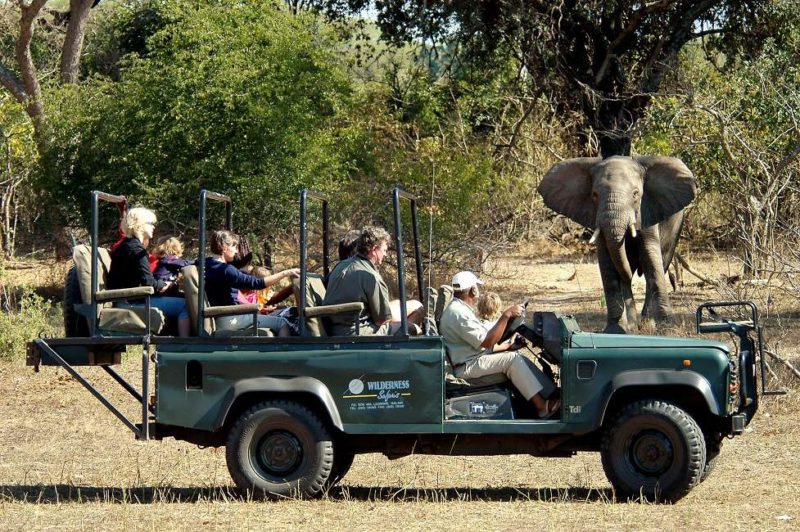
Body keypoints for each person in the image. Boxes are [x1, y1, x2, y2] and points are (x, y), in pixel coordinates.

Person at [439, 271, 560, 419]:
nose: (478, 290)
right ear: (473, 290)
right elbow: (487, 341)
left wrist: (509, 341)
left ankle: (553, 394)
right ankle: (542, 408)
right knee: (512, 360)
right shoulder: (458, 313)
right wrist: (506, 315)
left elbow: (483, 341)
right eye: (476, 286)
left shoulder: (460, 309)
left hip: (472, 359)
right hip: (467, 366)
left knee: (517, 357)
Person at [323, 226, 424, 336]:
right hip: (358, 331)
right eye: (384, 250)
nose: (385, 254)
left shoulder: (341, 265)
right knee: (412, 328)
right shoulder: (371, 276)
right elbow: (382, 320)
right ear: (374, 249)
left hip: (336, 328)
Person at [107, 207, 191, 337]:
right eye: (150, 224)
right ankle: (182, 347)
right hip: (130, 302)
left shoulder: (130, 245)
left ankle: (168, 348)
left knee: (180, 298)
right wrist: (164, 285)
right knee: (186, 306)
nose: (153, 227)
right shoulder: (136, 249)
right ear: (139, 225)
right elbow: (149, 282)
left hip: (130, 298)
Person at [205, 230, 299, 336]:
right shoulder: (226, 269)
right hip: (231, 319)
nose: (236, 252)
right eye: (234, 247)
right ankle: (281, 351)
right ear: (224, 247)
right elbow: (257, 283)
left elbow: (185, 262)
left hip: (220, 318)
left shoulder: (207, 263)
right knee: (282, 323)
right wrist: (286, 273)